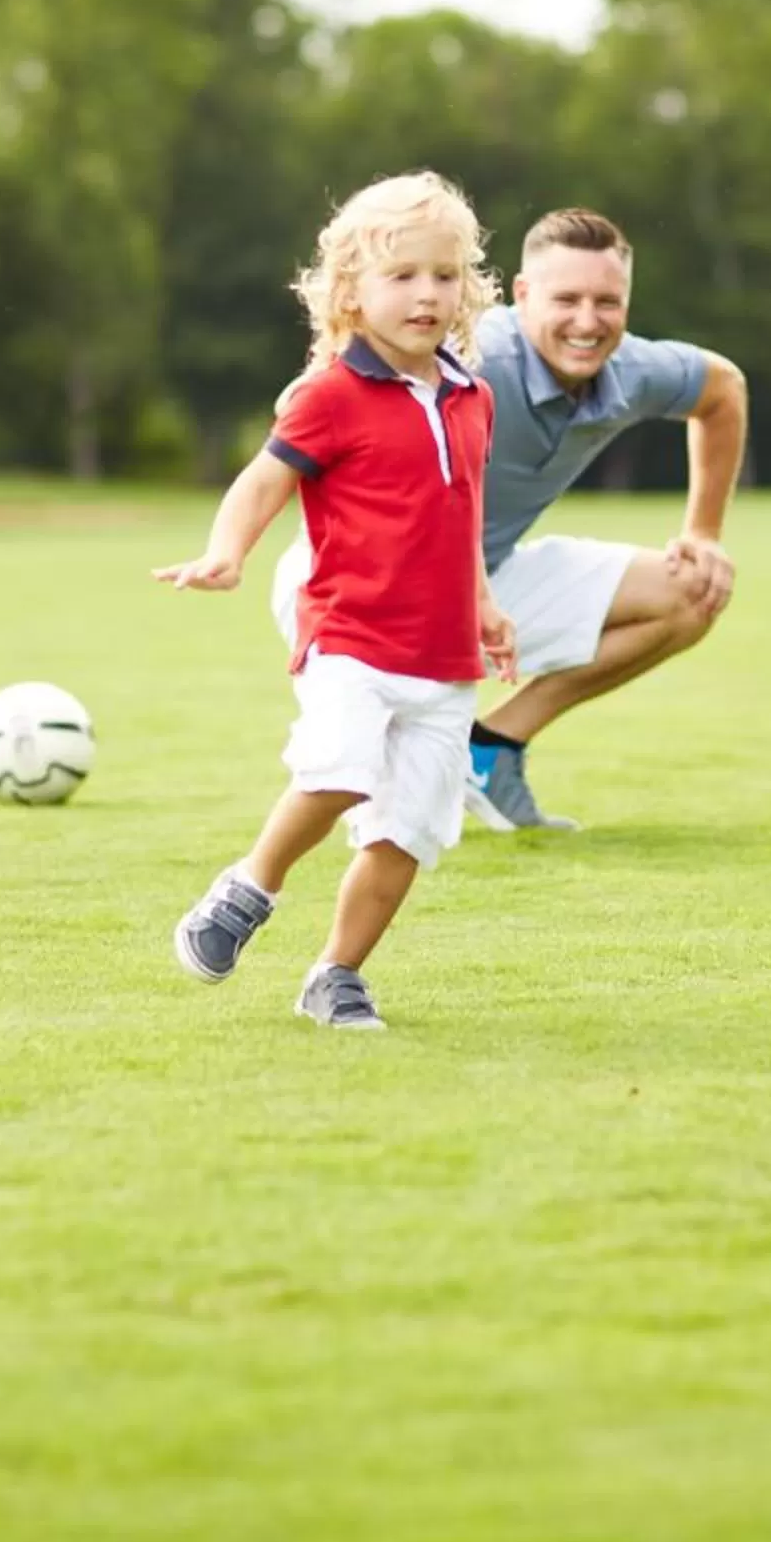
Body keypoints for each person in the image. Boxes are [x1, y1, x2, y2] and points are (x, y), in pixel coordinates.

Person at [156, 173, 517, 1030]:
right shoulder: (330, 396)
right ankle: (249, 888)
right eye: (402, 276)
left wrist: (486, 606)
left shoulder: (474, 396)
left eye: (444, 274)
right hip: (351, 638)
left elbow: (461, 514)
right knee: (340, 771)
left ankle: (336, 974)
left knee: (406, 837)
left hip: (443, 662)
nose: (426, 294)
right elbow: (261, 482)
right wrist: (225, 552)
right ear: (351, 291)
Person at [272, 207, 745, 830]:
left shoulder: (633, 370)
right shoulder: (469, 356)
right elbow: (311, 399)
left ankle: (491, 747)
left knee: (692, 591)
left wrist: (702, 533)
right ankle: (261, 881)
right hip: (355, 592)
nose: (587, 321)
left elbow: (723, 388)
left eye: (607, 301)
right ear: (523, 295)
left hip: (483, 585)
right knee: (380, 808)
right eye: (566, 298)